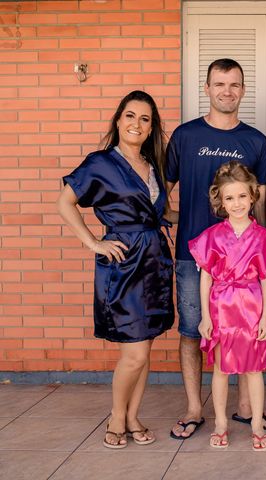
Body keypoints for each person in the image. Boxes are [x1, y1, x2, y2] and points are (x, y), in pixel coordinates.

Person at [165, 58, 266, 440]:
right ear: (207, 88)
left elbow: (260, 201)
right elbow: (162, 192)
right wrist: (180, 222)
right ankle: (196, 409)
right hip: (194, 257)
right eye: (219, 84)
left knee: (246, 330)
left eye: (234, 84)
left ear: (243, 90)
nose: (227, 91)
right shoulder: (185, 136)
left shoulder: (255, 141)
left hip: (245, 261)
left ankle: (246, 408)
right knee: (194, 331)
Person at [57, 90, 174, 449]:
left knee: (145, 350)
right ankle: (116, 416)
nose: (136, 124)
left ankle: (134, 415)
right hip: (124, 266)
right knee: (134, 352)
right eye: (130, 116)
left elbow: (160, 216)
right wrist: (94, 242)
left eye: (144, 119)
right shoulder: (100, 163)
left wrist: (211, 220)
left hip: (155, 262)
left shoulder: (153, 166)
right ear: (118, 120)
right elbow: (65, 202)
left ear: (151, 127)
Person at [188, 161, 266, 450]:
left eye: (242, 196)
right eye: (229, 198)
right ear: (220, 200)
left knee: (253, 369)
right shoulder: (213, 236)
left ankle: (257, 423)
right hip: (221, 308)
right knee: (221, 369)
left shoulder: (263, 238)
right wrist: (205, 317)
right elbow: (205, 277)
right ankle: (220, 422)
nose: (237, 203)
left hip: (252, 308)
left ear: (253, 196)